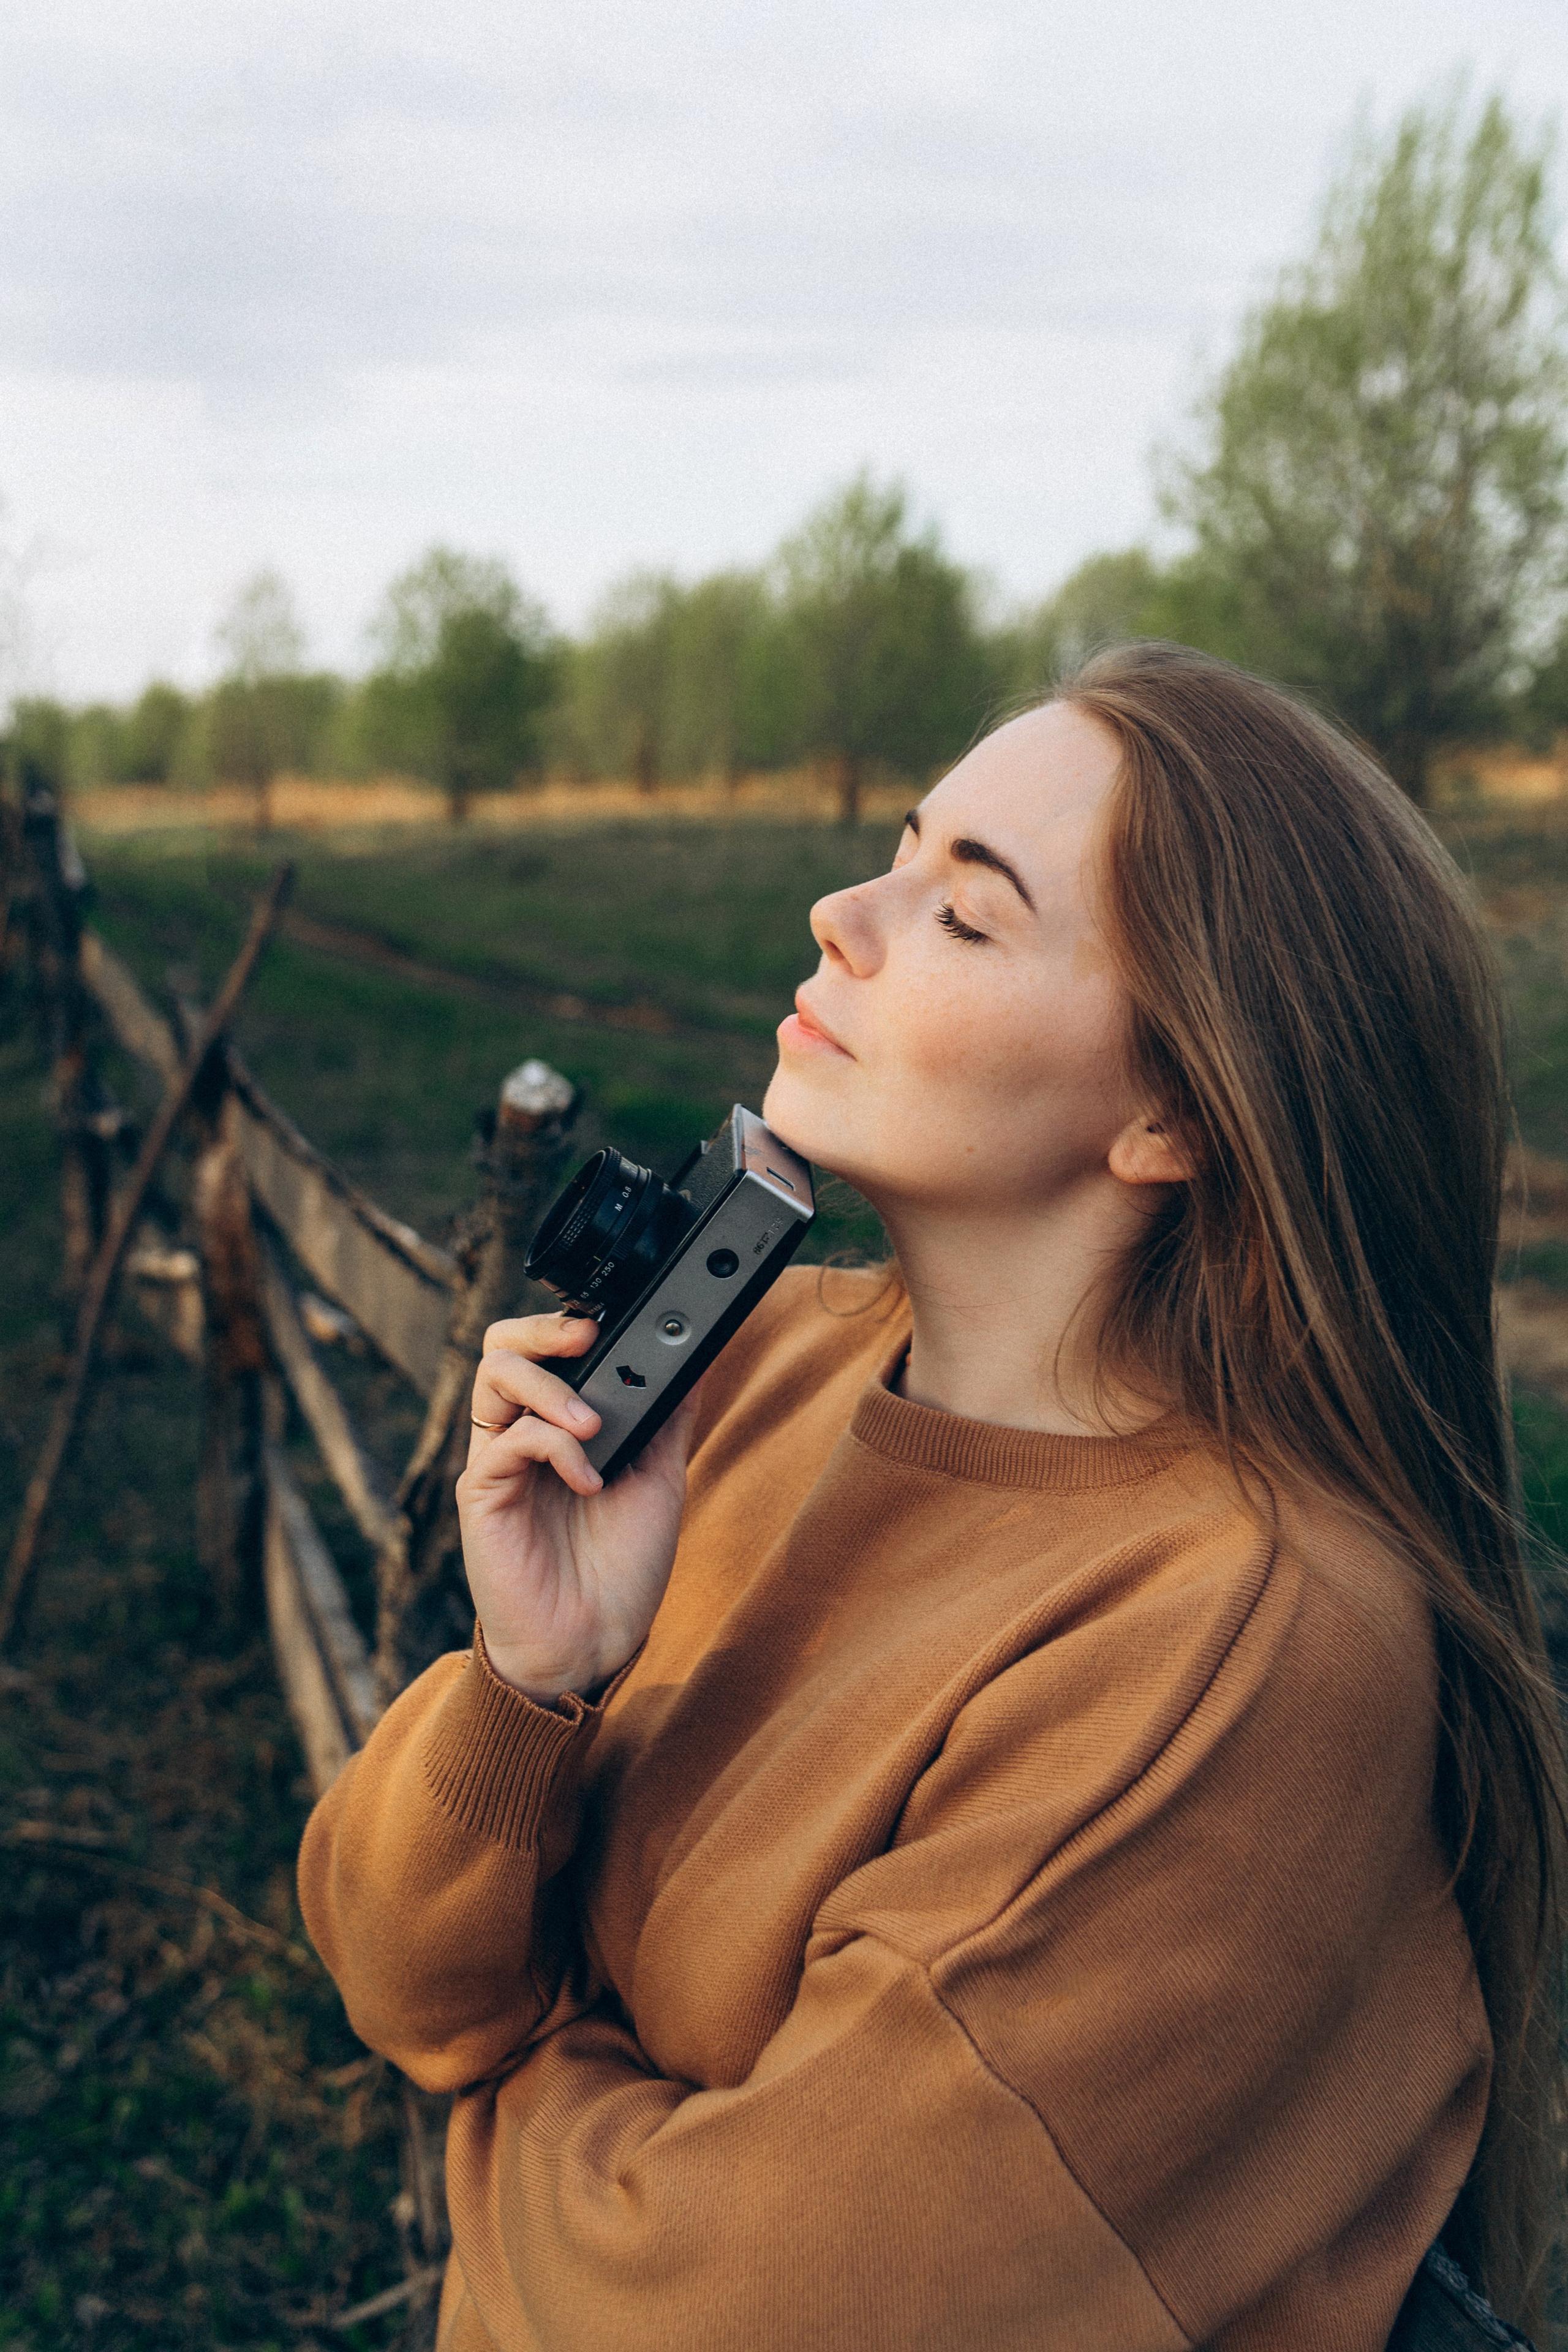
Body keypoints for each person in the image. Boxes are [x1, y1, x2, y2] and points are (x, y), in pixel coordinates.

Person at [299, 643, 1567, 2350]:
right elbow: (394, 1977)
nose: (841, 912)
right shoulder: (759, 1372)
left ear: (1177, 1111)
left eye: (965, 914)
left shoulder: (1239, 1642)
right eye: (900, 849)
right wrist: (534, 1686)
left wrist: (525, 2069)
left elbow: (710, 2320)